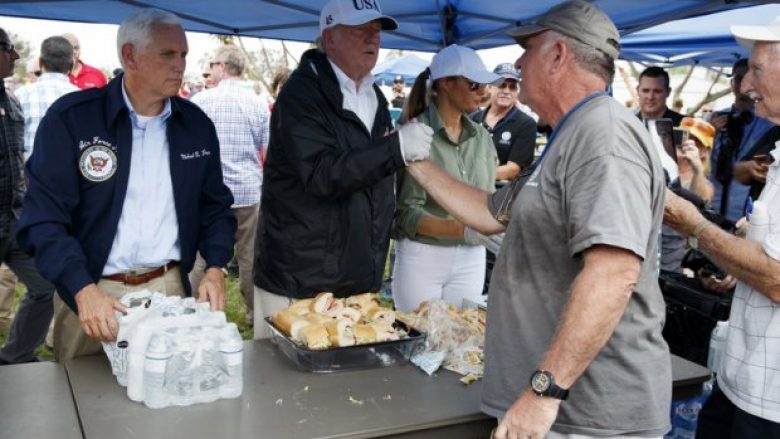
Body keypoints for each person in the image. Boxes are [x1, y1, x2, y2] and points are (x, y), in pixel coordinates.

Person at [403, 2, 670, 437]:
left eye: (528, 50)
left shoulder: (603, 136)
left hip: (588, 415)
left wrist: (545, 391)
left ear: (559, 55)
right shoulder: (572, 133)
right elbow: (490, 213)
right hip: (566, 409)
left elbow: (614, 273)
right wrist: (415, 160)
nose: (519, 63)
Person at [17, 9, 236, 362]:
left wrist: (215, 267)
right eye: (168, 54)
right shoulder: (73, 119)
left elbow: (215, 207)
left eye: (183, 55)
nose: (180, 65)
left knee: (166, 403)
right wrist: (81, 289)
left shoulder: (195, 124)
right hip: (92, 291)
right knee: (83, 407)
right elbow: (43, 220)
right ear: (130, 55)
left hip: (168, 288)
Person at [252, 0, 432, 337]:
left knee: (352, 381)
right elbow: (322, 174)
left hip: (355, 274)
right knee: (289, 382)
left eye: (376, 32)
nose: (372, 39)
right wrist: (395, 148)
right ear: (329, 38)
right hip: (301, 276)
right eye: (361, 30)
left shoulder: (374, 96)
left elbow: (371, 179)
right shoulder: (301, 94)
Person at [665, 16, 780, 438]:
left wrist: (692, 224)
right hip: (742, 380)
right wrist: (735, 265)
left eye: (757, 70)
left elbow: (777, 278)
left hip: (771, 400)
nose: (747, 85)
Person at [391, 45, 498, 313]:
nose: (483, 91)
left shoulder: (482, 137)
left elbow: (488, 198)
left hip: (472, 256)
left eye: (484, 84)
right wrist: (465, 230)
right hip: (423, 255)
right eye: (474, 84)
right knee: (419, 343)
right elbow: (407, 214)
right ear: (446, 83)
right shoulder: (414, 134)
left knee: (461, 344)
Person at [191, 44, 270, 326]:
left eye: (212, 65)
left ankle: (197, 310)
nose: (210, 70)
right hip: (248, 191)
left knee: (202, 256)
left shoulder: (201, 101)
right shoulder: (258, 104)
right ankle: (253, 313)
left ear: (222, 67)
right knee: (250, 257)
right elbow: (268, 152)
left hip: (209, 193)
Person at [0, 27, 58, 365]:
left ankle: (15, 356)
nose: (17, 56)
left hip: (15, 220)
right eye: (9, 48)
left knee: (46, 286)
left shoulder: (11, 99)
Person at [710, 58, 775, 222]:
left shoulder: (769, 125)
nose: (743, 86)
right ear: (732, 83)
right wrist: (709, 135)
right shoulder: (714, 119)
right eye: (738, 79)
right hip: (711, 206)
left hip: (743, 213)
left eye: (750, 79)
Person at [14, 36, 79, 160]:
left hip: (28, 175)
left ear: (40, 63)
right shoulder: (83, 100)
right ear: (71, 66)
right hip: (69, 177)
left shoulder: (20, 95)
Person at [471, 63, 537, 181]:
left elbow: (513, 170)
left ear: (516, 92)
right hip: (468, 189)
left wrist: (472, 175)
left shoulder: (526, 124)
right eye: (502, 85)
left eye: (512, 87)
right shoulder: (473, 119)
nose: (507, 91)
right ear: (490, 87)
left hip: (501, 194)